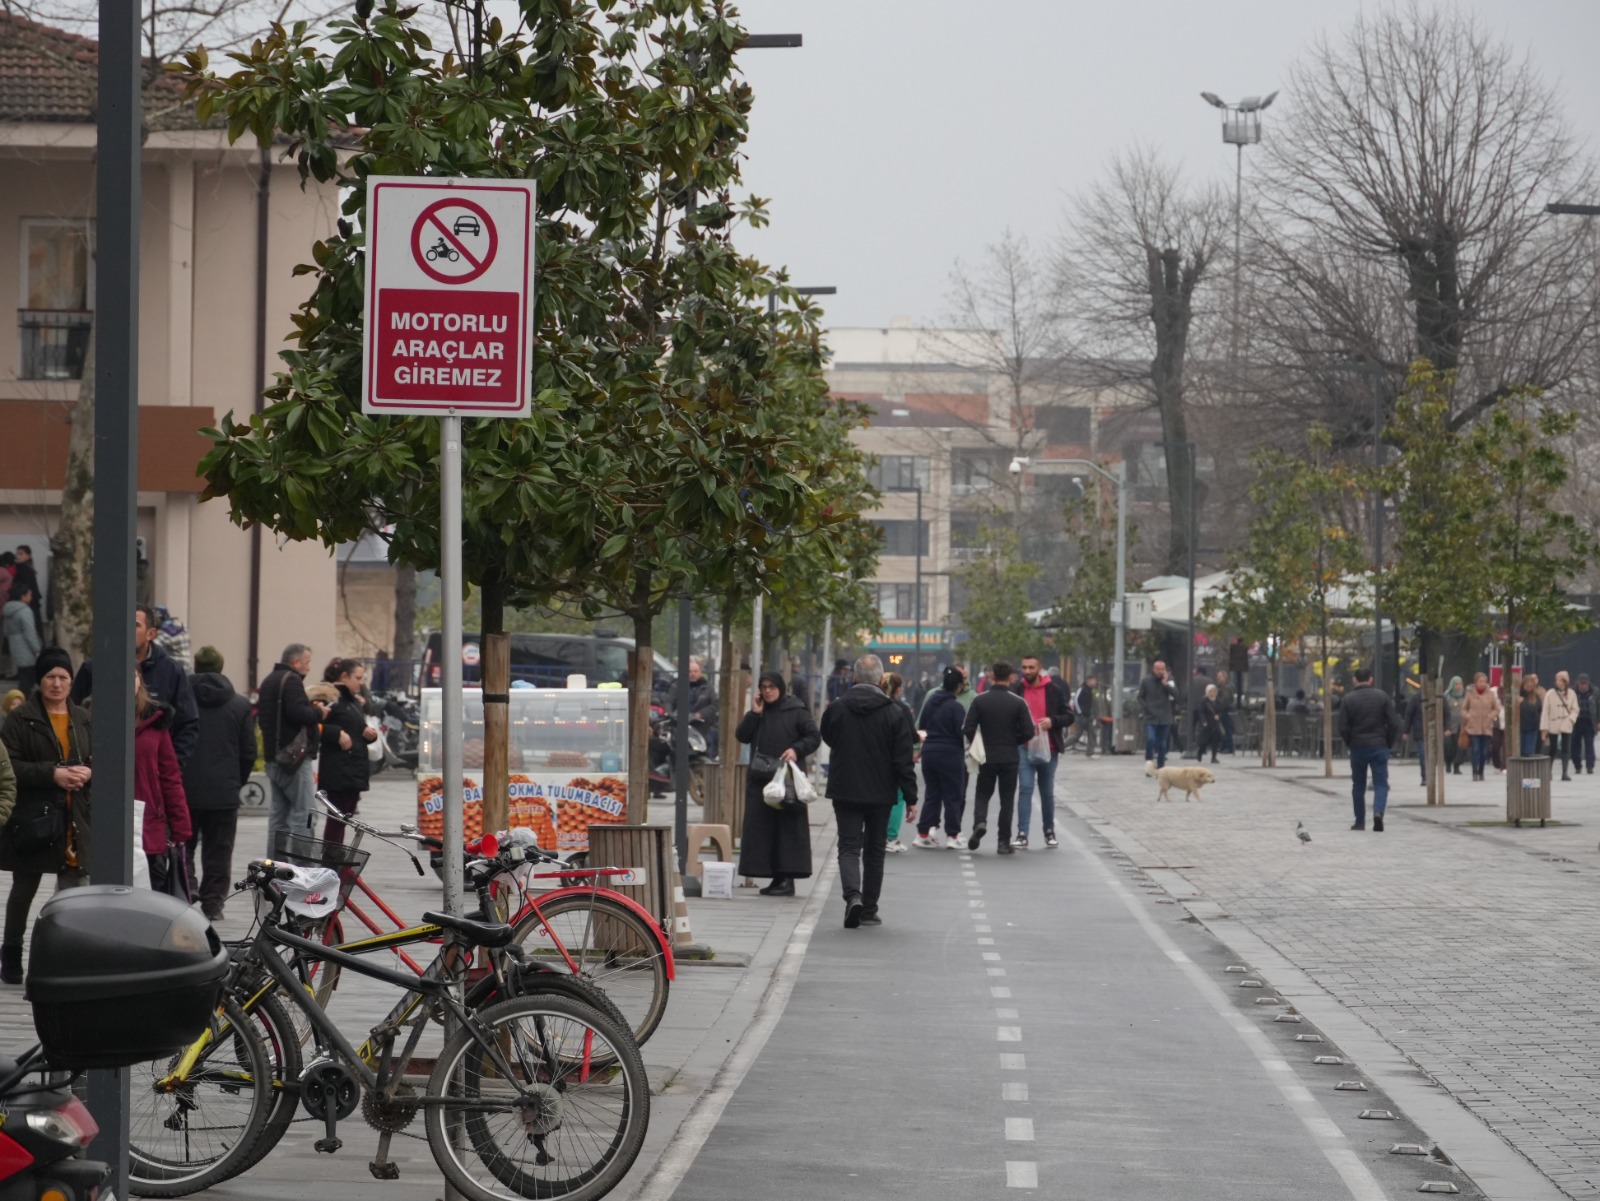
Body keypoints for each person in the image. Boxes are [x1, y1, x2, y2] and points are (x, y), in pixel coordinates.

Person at [0, 648, 90, 984]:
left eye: (63, 677)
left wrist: (86, 772)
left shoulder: (83, 717)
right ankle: (10, 952)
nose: (56, 683)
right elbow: (10, 767)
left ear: (71, 682)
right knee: (24, 887)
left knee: (74, 891)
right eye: (50, 677)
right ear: (40, 680)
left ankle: (62, 954)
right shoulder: (20, 718)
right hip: (33, 817)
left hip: (75, 818)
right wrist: (52, 773)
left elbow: (98, 758)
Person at [820, 654, 917, 927]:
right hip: (881, 791)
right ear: (882, 680)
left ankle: (853, 896)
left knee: (849, 846)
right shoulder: (895, 712)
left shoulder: (837, 709)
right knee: (874, 850)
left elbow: (827, 735)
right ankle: (869, 908)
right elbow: (903, 759)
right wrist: (910, 796)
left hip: (845, 788)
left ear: (853, 678)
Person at [182, 646, 256, 921]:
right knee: (219, 851)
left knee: (182, 843)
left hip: (185, 788)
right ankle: (213, 905)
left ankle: (186, 889)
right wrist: (236, 780)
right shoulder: (239, 704)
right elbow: (249, 751)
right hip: (224, 791)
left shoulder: (182, 700)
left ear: (197, 667)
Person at [735, 671, 820, 897]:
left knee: (787, 829)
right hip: (762, 780)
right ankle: (775, 877)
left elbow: (813, 736)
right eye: (764, 687)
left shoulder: (796, 710)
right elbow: (742, 735)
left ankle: (787, 878)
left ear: (781, 688)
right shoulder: (760, 713)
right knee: (763, 830)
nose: (768, 691)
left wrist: (796, 750)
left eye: (772, 687)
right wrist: (754, 713)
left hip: (787, 781)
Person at [258, 643, 330, 851]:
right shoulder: (292, 681)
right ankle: (302, 866)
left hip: (274, 758)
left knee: (279, 818)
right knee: (306, 814)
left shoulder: (269, 680)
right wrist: (319, 712)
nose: (309, 667)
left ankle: (275, 866)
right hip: (294, 760)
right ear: (295, 662)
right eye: (307, 662)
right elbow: (299, 713)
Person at [962, 661, 1036, 856]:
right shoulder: (1018, 702)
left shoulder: (980, 700)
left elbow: (967, 727)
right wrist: (1014, 740)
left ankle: (980, 822)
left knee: (982, 794)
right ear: (1011, 677)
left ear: (991, 676)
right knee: (1007, 800)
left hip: (987, 755)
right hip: (1010, 756)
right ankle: (1003, 842)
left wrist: (977, 742)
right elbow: (1029, 731)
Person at [134, 672, 194, 896]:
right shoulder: (94, 717)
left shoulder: (156, 722)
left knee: (152, 896)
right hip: (108, 823)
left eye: (131, 675)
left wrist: (180, 826)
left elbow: (170, 777)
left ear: (139, 679)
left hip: (149, 825)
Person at [1010, 654, 1072, 849]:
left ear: (1039, 668)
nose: (1027, 671)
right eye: (1024, 667)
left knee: (1047, 792)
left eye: (1031, 667)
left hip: (1049, 749)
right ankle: (1022, 833)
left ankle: (1049, 830)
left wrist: (1052, 721)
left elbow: (1069, 716)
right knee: (1025, 788)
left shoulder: (1054, 690)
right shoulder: (1017, 690)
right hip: (1024, 747)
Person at [319, 658, 379, 846]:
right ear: (345, 677)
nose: (360, 683)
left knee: (345, 818)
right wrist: (336, 733)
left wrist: (368, 733)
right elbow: (315, 725)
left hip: (354, 768)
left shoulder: (354, 702)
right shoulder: (329, 698)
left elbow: (356, 725)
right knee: (336, 819)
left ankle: (338, 862)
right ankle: (331, 862)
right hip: (338, 770)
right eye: (358, 678)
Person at [135, 604, 199, 767]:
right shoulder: (95, 669)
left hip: (155, 774)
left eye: (135, 625)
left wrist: (170, 768)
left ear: (151, 633)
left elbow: (187, 724)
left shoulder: (172, 672)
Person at [1338, 666, 1400, 832]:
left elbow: (1343, 726)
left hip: (1358, 746)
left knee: (1358, 785)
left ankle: (1359, 821)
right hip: (1379, 745)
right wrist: (1387, 742)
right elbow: (1394, 723)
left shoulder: (1348, 699)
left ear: (1354, 680)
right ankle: (1378, 812)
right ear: (1370, 679)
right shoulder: (1382, 697)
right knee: (1381, 783)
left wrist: (1350, 742)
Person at [913, 666, 968, 849]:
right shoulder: (956, 707)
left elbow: (921, 727)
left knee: (932, 794)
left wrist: (921, 748)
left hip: (929, 752)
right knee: (953, 795)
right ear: (959, 686)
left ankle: (922, 834)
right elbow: (961, 733)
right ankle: (952, 836)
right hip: (950, 753)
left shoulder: (930, 703)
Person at [881, 673, 918, 853]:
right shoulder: (901, 708)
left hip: (875, 759)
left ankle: (876, 835)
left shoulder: (875, 706)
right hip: (895, 759)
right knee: (898, 797)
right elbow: (910, 735)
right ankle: (891, 836)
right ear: (897, 689)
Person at [1137, 660, 1179, 768]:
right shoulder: (1146, 681)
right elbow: (1140, 696)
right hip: (1151, 716)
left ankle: (1161, 766)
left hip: (1165, 717)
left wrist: (1166, 685)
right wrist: (1146, 707)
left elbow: (1176, 695)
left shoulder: (1169, 680)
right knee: (1150, 739)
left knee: (1163, 743)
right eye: (1158, 669)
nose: (1160, 671)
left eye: (1162, 669)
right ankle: (1149, 763)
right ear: (1153, 669)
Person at [2, 586, 42, 694]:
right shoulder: (25, 611)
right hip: (26, 646)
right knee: (28, 679)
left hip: (14, 644)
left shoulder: (7, 610)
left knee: (22, 674)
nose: (31, 598)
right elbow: (30, 632)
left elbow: (5, 631)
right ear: (22, 596)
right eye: (29, 595)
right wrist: (36, 649)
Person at [1541, 671, 1580, 782]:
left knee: (1566, 749)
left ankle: (1565, 773)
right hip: (1553, 723)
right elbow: (1545, 711)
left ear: (1565, 682)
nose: (1558, 682)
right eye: (1557, 680)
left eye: (1560, 680)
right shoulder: (1550, 693)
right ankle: (1548, 772)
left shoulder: (1571, 693)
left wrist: (1571, 720)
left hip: (1566, 723)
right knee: (1552, 748)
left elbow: (1575, 709)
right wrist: (1544, 728)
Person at [1461, 672, 1499, 782]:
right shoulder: (1470, 693)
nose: (1482, 683)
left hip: (1486, 727)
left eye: (1484, 681)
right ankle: (1475, 772)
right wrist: (1468, 716)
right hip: (1473, 727)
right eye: (1480, 681)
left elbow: (1496, 708)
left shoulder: (1490, 694)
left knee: (1484, 752)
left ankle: (1481, 771)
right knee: (1475, 750)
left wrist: (1491, 716)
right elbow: (1464, 709)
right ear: (1476, 682)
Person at [8, 547, 41, 633]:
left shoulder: (25, 570)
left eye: (21, 553)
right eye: (17, 554)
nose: (17, 556)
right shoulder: (21, 568)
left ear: (28, 556)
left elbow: (24, 587)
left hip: (27, 604)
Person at [1572, 674, 1597, 776]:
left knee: (1589, 744)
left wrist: (1598, 721)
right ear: (1578, 683)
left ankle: (1590, 766)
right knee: (1575, 745)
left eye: (1585, 683)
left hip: (1589, 721)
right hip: (1576, 722)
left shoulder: (1595, 692)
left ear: (1588, 683)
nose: (1583, 686)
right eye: (1581, 683)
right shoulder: (1573, 692)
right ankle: (1577, 766)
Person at [1068, 674, 1098, 756]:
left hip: (1087, 716)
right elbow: (1076, 701)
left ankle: (1090, 752)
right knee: (1077, 735)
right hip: (1081, 716)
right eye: (1094, 680)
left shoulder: (1089, 690)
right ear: (1089, 680)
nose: (1095, 682)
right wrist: (1080, 713)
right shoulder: (1082, 689)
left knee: (1092, 733)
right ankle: (1061, 747)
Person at [1442, 676, 1465, 776]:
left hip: (1462, 725)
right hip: (1450, 725)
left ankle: (1457, 765)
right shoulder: (1446, 696)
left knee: (1460, 747)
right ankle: (1448, 762)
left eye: (1460, 684)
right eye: (1456, 684)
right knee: (1450, 747)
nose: (1458, 686)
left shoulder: (1465, 696)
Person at [1518, 674, 1544, 759]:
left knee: (1529, 752)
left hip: (1533, 727)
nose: (1528, 688)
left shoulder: (1536, 697)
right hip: (1520, 727)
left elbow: (1539, 709)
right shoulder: (1519, 696)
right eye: (1527, 686)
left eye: (1530, 686)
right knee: (1520, 751)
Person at [1197, 684, 1224, 764]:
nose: (1213, 693)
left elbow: (1220, 711)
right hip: (1207, 724)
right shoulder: (1204, 700)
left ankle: (1213, 757)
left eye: (1215, 691)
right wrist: (1204, 722)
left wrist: (1219, 716)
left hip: (1215, 724)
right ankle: (1200, 752)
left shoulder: (1218, 701)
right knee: (1204, 741)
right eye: (1211, 691)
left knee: (1215, 741)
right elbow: (1201, 712)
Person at [1228, 636, 1249, 702]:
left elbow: (1231, 657)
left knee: (1235, 682)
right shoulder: (1244, 648)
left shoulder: (1233, 647)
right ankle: (1238, 701)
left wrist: (1231, 667)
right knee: (1239, 684)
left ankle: (1237, 700)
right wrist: (1246, 668)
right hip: (1241, 667)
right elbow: (1245, 658)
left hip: (1234, 667)